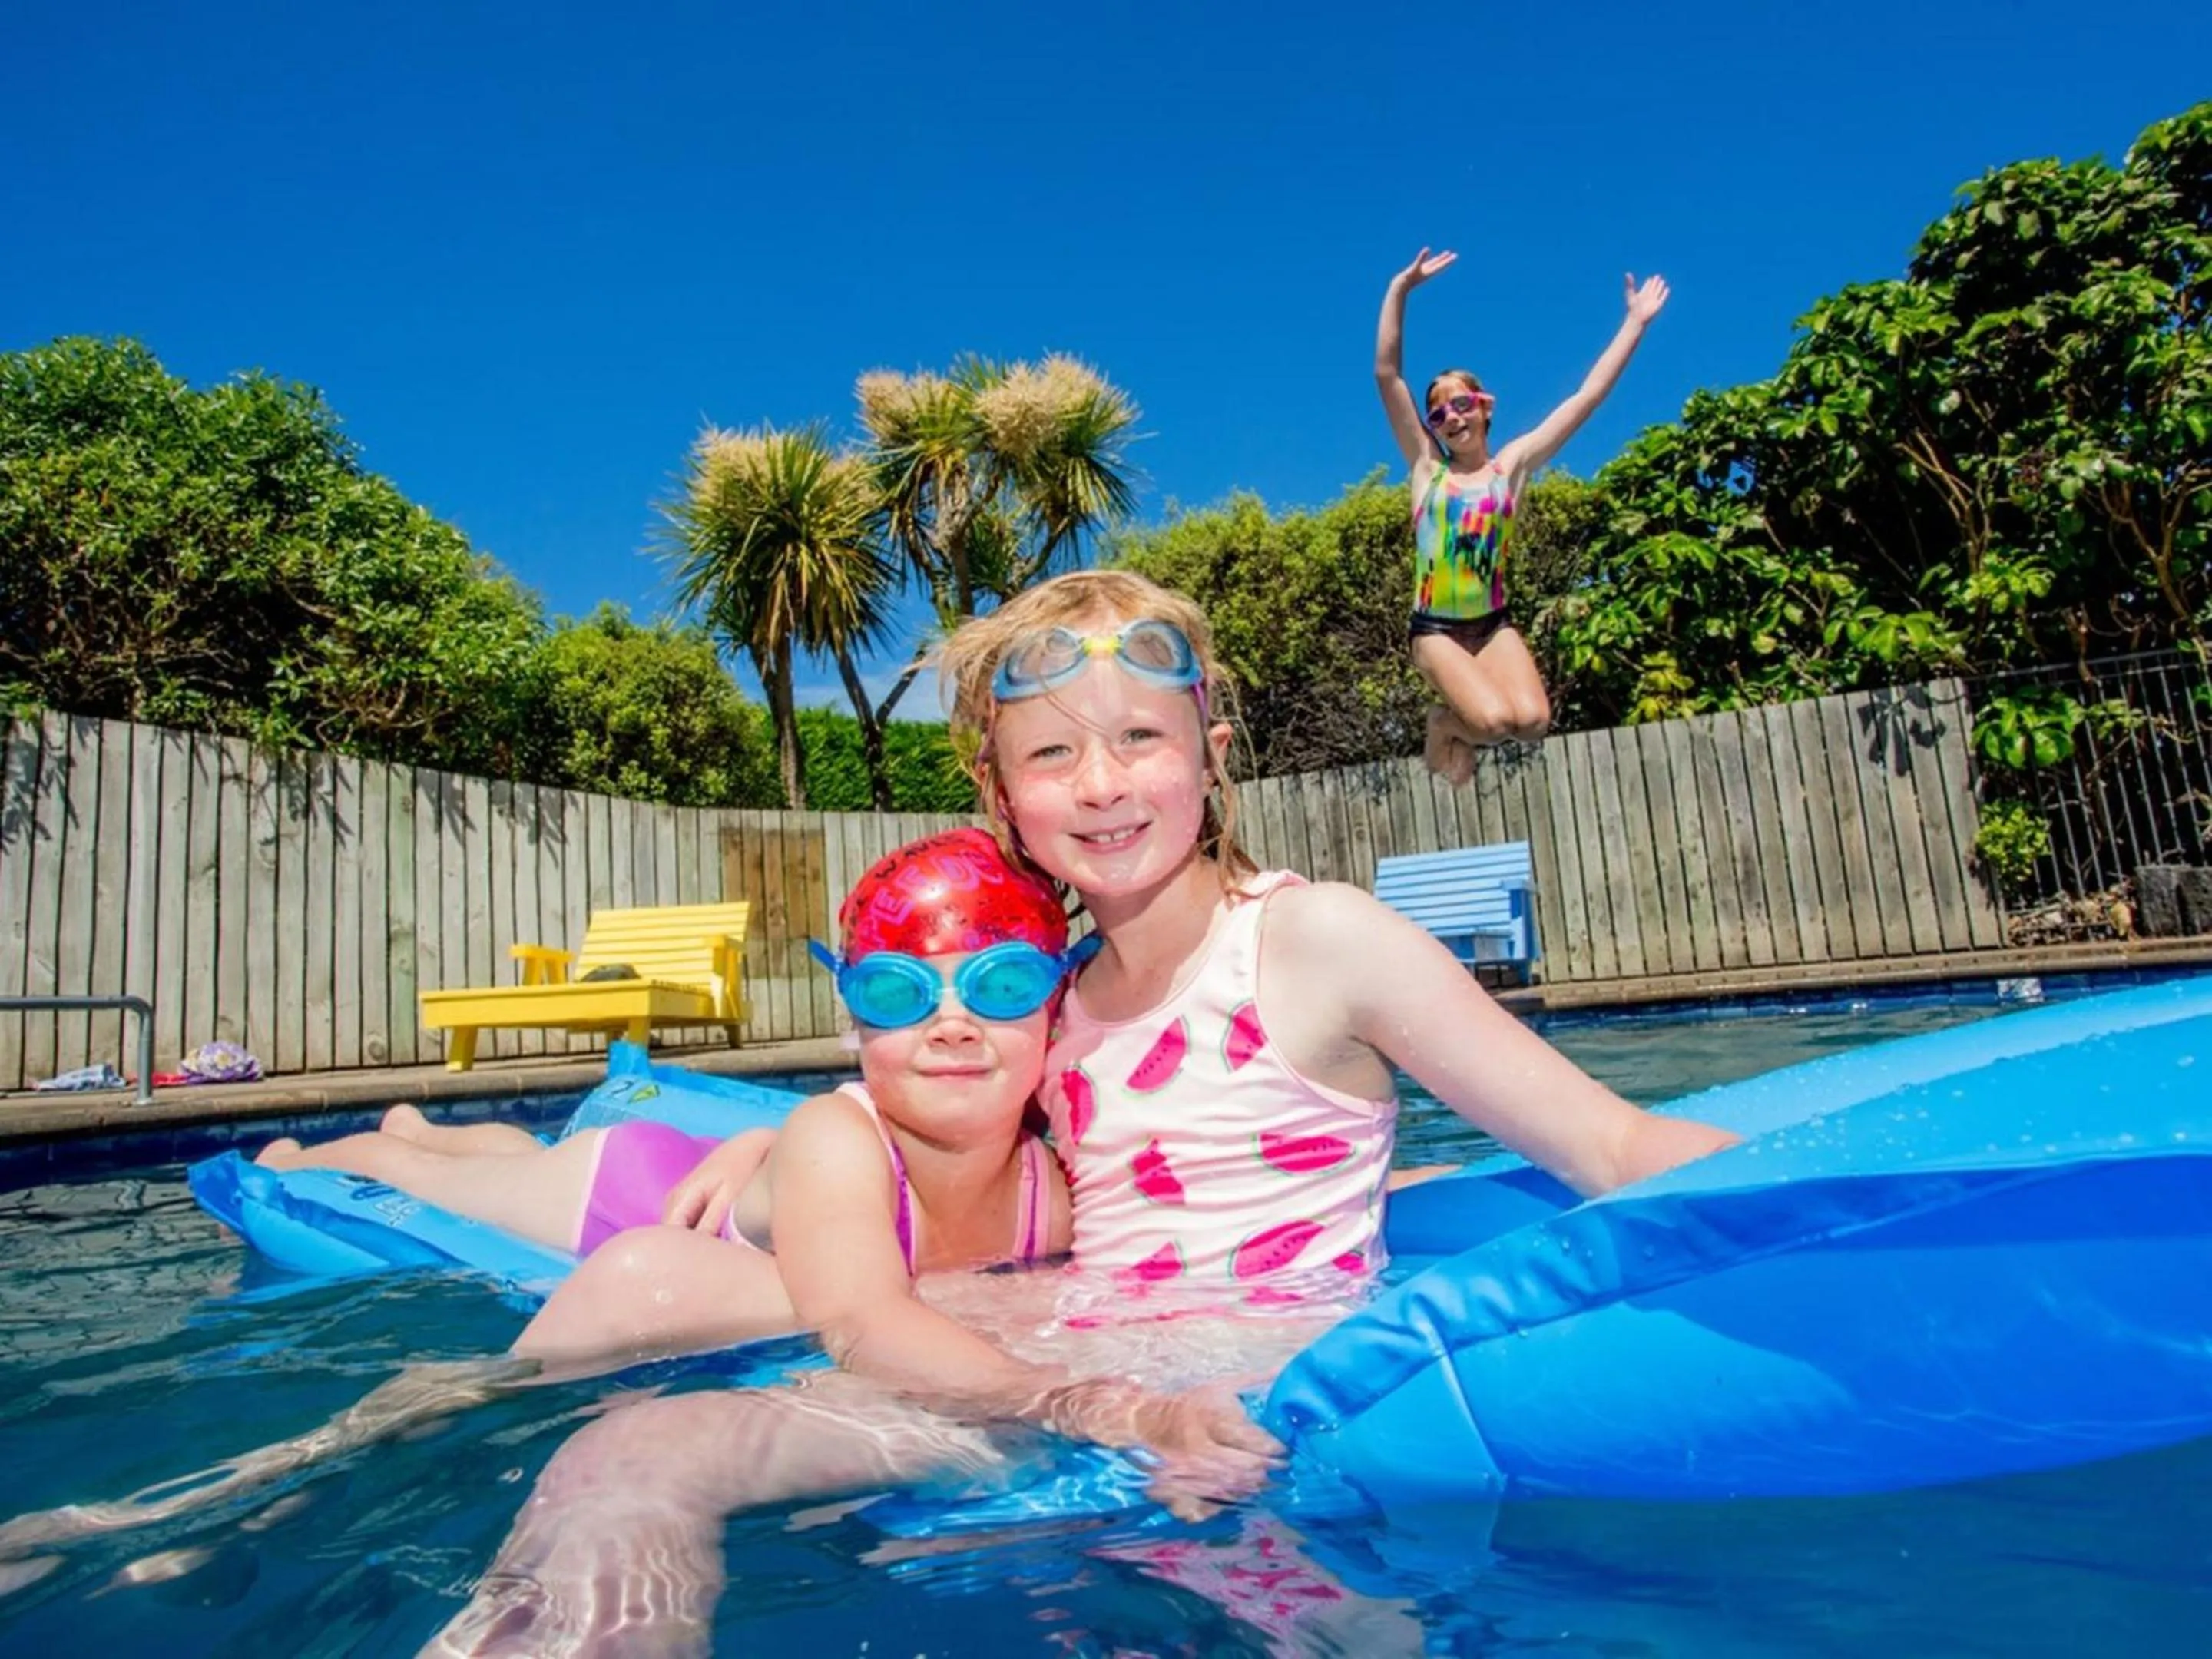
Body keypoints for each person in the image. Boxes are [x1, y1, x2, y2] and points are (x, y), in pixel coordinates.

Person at [1376, 248, 1671, 780]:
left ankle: (1461, 723)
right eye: (1438, 413)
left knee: (1533, 722)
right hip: (1435, 629)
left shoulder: (1511, 468)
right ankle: (1442, 722)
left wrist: (1634, 324)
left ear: (1485, 406)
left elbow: (1587, 397)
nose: (1451, 418)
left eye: (1461, 405)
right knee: (1490, 724)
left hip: (1492, 623)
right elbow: (1387, 374)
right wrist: (1400, 289)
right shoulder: (1427, 470)